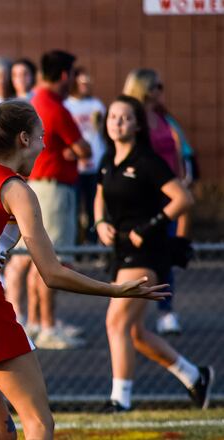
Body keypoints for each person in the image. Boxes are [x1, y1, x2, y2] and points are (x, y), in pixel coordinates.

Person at [0, 87, 168, 440]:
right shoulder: (15, 189)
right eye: (40, 137)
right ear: (23, 139)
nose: (43, 145)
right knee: (39, 423)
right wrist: (114, 290)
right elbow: (51, 273)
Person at [95, 95, 212, 412]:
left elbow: (183, 198)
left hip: (147, 252)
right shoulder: (108, 159)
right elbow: (99, 194)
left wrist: (149, 226)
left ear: (137, 125)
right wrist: (100, 222)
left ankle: (120, 400)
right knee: (134, 332)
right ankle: (194, 376)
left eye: (125, 118)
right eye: (113, 117)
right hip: (121, 252)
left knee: (116, 322)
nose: (117, 123)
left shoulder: (147, 160)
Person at [4, 50, 91, 350]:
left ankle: (40, 322)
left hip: (40, 186)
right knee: (51, 260)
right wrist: (70, 152)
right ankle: (48, 325)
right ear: (64, 75)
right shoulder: (54, 106)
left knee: (35, 260)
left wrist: (67, 151)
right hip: (54, 190)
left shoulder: (36, 101)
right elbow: (84, 149)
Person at [123, 68, 186, 335]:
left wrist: (181, 179)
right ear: (146, 89)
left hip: (168, 194)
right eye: (157, 86)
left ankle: (166, 311)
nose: (162, 91)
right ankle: (132, 311)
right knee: (139, 258)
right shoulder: (135, 119)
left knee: (166, 253)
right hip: (145, 197)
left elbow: (175, 150)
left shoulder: (162, 117)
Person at [64, 66, 107, 245]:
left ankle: (92, 243)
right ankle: (75, 244)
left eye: (87, 82)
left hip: (95, 163)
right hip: (75, 166)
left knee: (93, 207)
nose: (85, 85)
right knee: (74, 208)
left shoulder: (97, 105)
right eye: (81, 82)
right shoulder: (66, 105)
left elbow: (101, 133)